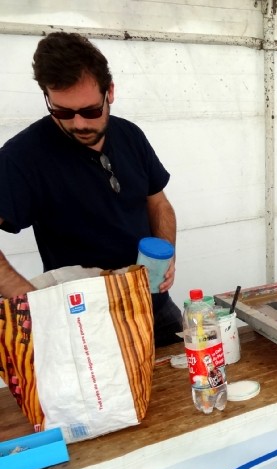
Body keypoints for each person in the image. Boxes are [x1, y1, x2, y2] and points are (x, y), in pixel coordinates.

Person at [0, 31, 183, 348]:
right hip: (85, 322)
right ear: (47, 97)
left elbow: (158, 203)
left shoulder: (130, 135)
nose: (79, 124)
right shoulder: (22, 157)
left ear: (109, 92)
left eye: (89, 111)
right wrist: (32, 302)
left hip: (154, 305)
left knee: (187, 384)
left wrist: (166, 253)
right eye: (62, 112)